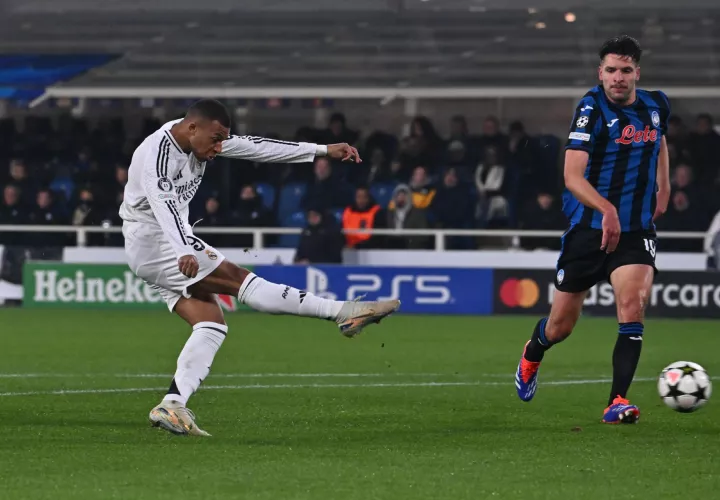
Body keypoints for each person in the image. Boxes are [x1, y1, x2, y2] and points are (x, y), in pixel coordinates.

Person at [120, 99, 400, 437]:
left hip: (158, 244)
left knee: (211, 323)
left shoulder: (202, 138)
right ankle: (343, 312)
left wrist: (323, 150)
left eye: (223, 139)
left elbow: (258, 147)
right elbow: (163, 203)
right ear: (193, 127)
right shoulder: (158, 154)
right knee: (242, 281)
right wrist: (183, 249)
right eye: (216, 139)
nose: (219, 147)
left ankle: (173, 404)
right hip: (156, 241)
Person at [514, 35, 671, 424]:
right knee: (561, 326)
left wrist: (664, 186)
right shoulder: (591, 109)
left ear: (638, 72)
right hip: (589, 230)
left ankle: (617, 401)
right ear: (600, 73)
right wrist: (606, 210)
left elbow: (660, 139)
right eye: (611, 71)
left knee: (632, 306)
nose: (618, 78)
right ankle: (533, 352)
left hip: (635, 230)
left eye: (626, 70)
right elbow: (571, 176)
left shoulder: (656, 104)